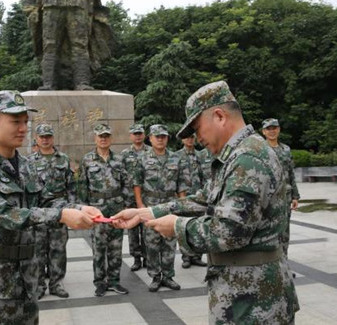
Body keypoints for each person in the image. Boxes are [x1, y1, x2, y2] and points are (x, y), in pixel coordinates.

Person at [113, 81, 299, 324]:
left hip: (255, 301)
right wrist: (148, 212)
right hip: (245, 292)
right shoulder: (238, 154)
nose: (197, 138)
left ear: (219, 116)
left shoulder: (247, 159)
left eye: (197, 128)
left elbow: (229, 232)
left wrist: (178, 227)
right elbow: (205, 198)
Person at [0, 90, 101, 325]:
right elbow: (7, 215)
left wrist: (79, 207)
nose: (23, 128)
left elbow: (45, 200)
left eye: (25, 121)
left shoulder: (26, 166)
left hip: (27, 275)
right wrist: (62, 215)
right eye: (15, 121)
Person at [132, 124, 190, 292]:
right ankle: (155, 276)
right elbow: (137, 183)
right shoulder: (142, 158)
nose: (160, 139)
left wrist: (183, 205)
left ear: (167, 138)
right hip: (151, 205)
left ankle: (168, 276)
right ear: (150, 138)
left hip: (170, 205)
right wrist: (140, 205)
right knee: (151, 243)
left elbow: (181, 184)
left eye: (163, 136)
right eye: (156, 136)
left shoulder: (176, 158)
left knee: (170, 242)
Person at [77, 123, 132, 297]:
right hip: (97, 210)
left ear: (111, 139)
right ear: (95, 138)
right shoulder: (87, 160)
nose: (103, 139)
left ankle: (114, 281)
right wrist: (84, 209)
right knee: (99, 248)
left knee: (116, 247)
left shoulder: (119, 159)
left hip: (116, 208)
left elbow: (127, 184)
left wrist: (125, 205)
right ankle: (100, 282)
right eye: (100, 136)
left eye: (106, 136)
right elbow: (82, 186)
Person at [29, 123, 75, 299]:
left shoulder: (63, 159)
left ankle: (56, 284)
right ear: (37, 139)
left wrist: (70, 208)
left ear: (53, 138)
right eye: (42, 137)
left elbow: (71, 186)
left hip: (59, 210)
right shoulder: (30, 162)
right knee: (38, 251)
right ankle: (39, 286)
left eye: (48, 136)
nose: (45, 139)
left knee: (58, 249)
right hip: (39, 211)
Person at [262, 118, 301, 256]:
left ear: (279, 129)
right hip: (268, 198)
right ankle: (272, 264)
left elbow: (291, 173)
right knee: (269, 231)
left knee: (285, 232)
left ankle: (284, 264)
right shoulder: (261, 150)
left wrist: (295, 196)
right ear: (263, 132)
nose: (272, 131)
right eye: (268, 129)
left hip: (285, 197)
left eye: (274, 128)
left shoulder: (286, 149)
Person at [120, 123, 151, 271]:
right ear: (131, 136)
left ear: (144, 135)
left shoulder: (151, 152)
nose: (138, 136)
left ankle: (148, 257)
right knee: (132, 230)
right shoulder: (124, 155)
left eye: (140, 133)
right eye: (135, 133)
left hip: (148, 197)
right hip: (130, 197)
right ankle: (136, 258)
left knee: (148, 228)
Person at [175, 135, 207, 269]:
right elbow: (174, 177)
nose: (189, 140)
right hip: (184, 196)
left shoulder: (201, 155)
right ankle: (186, 257)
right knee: (184, 228)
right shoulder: (176, 156)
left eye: (192, 138)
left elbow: (205, 175)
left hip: (198, 197)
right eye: (187, 138)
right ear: (182, 140)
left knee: (198, 226)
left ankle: (197, 256)